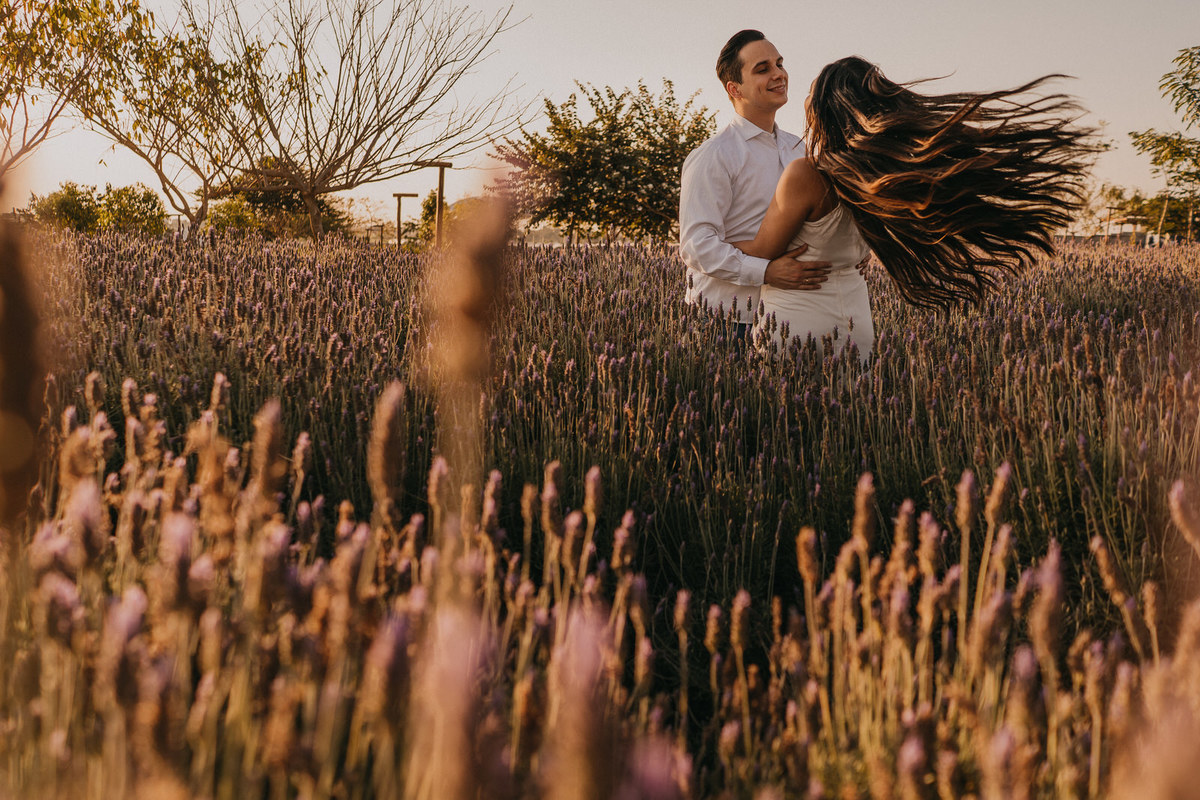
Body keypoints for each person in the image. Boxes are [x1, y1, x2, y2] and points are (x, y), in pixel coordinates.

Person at [735, 56, 1094, 327]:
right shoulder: (873, 179)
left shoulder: (807, 173)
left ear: (829, 107)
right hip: (855, 323)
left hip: (795, 323)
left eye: (813, 92)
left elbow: (762, 251)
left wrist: (707, 241)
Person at [679, 30, 838, 342]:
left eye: (779, 63)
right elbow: (697, 247)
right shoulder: (714, 156)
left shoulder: (802, 150)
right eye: (763, 69)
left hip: (792, 315)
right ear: (734, 88)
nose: (779, 74)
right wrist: (765, 271)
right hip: (727, 321)